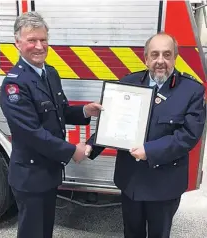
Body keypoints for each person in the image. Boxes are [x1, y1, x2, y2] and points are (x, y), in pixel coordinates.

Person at [85, 32, 206, 238]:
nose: (161, 61)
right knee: (132, 232)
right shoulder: (128, 83)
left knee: (159, 234)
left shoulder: (191, 90)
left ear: (175, 57)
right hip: (131, 179)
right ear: (146, 58)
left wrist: (149, 151)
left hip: (164, 183)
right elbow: (114, 122)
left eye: (167, 55)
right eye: (155, 54)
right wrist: (92, 145)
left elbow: (188, 135)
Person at [0, 12, 102, 238]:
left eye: (43, 40)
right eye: (31, 40)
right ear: (17, 43)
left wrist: (85, 110)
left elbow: (60, 111)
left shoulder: (50, 73)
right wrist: (72, 151)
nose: (39, 46)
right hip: (30, 175)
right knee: (32, 233)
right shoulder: (14, 85)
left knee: (45, 230)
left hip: (49, 172)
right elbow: (31, 133)